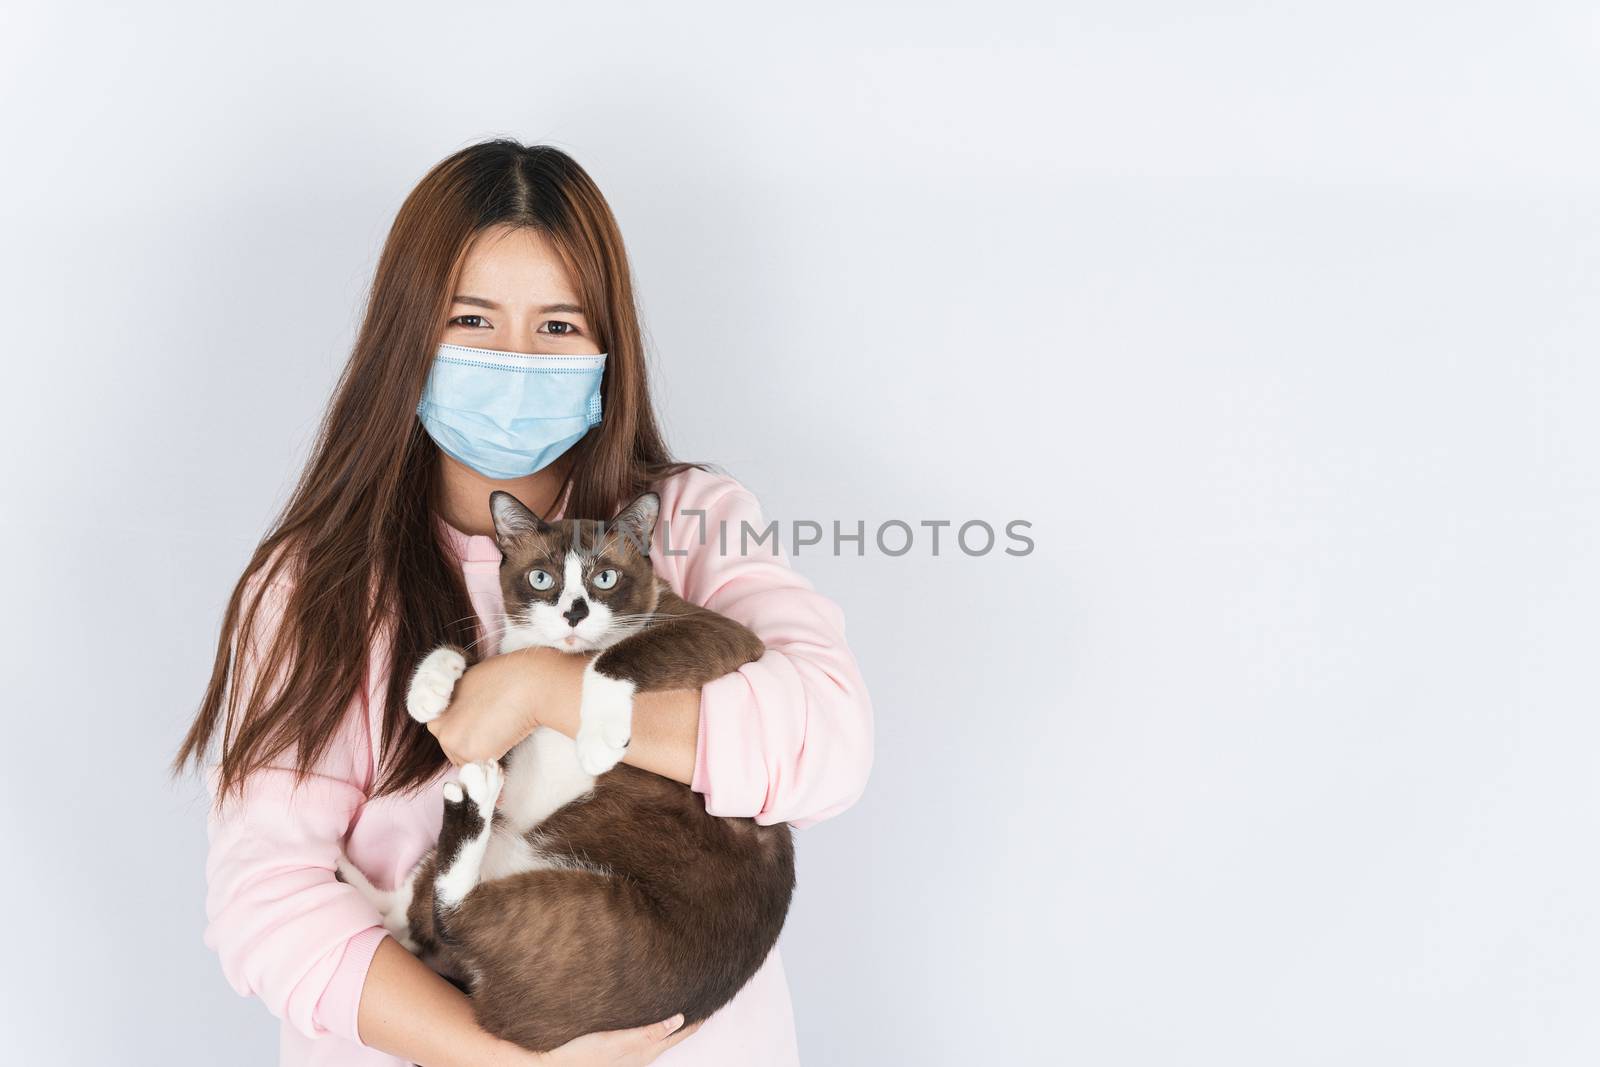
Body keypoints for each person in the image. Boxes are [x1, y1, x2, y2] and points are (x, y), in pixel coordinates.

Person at [170, 139, 874, 1067]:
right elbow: (267, 896)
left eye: (556, 327)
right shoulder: (317, 585)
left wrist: (549, 688)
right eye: (471, 319)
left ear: (605, 346)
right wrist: (513, 1060)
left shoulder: (691, 524)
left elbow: (827, 744)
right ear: (407, 337)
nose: (516, 358)